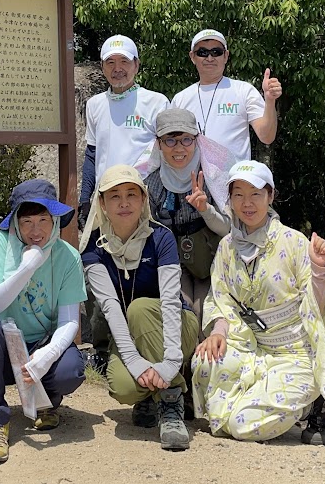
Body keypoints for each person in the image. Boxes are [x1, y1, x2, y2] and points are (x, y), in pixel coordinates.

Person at [192, 160, 325, 443]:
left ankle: (315, 405)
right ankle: (264, 401)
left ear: (270, 196)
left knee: (240, 426)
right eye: (238, 194)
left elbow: (319, 306)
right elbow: (221, 297)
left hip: (293, 354)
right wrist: (218, 332)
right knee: (205, 362)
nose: (247, 203)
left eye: (255, 194)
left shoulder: (294, 242)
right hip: (250, 344)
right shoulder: (227, 246)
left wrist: (320, 271)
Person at [80, 165, 199, 450]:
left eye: (131, 194)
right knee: (124, 386)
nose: (124, 203)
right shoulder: (93, 250)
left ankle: (170, 402)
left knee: (139, 309)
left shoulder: (162, 238)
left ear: (144, 199)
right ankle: (148, 396)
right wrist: (134, 362)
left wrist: (171, 362)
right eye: (115, 196)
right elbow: (109, 307)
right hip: (131, 335)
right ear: (102, 204)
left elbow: (171, 301)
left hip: (178, 326)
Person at [0, 179, 87, 465]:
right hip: (4, 349)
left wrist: (47, 355)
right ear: (16, 224)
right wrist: (27, 266)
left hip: (41, 342)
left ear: (55, 220)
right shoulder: (1, 244)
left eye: (44, 220)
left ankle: (45, 403)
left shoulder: (68, 256)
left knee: (71, 368)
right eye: (27, 221)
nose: (36, 231)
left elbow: (70, 321)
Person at [144, 108, 231, 319]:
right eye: (170, 141)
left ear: (197, 140)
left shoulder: (212, 174)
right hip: (174, 264)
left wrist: (205, 209)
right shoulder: (152, 182)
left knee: (205, 313)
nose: (179, 148)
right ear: (159, 144)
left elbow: (229, 228)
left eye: (186, 140)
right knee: (184, 313)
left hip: (212, 262)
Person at [79, 35, 169, 227]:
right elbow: (92, 154)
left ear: (136, 65)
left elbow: (168, 154)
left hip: (144, 198)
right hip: (106, 199)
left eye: (124, 61)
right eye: (110, 62)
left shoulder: (156, 102)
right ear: (102, 67)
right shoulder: (94, 104)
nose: (117, 68)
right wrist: (84, 199)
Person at [171, 29, 282, 162]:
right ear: (192, 57)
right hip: (192, 180)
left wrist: (270, 101)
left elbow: (266, 137)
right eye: (202, 53)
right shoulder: (181, 99)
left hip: (233, 180)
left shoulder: (244, 90)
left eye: (216, 52)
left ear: (226, 56)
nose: (210, 58)